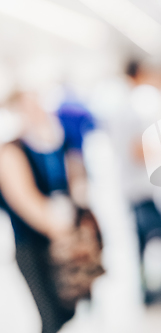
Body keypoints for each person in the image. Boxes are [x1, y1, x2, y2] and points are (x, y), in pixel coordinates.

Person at [0, 91, 94, 333]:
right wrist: (59, 230)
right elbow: (25, 201)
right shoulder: (11, 152)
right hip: (33, 245)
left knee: (69, 311)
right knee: (51, 317)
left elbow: (78, 183)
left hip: (64, 239)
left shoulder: (58, 144)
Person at [106, 58, 161, 305]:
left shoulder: (120, 108)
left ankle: (147, 289)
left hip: (130, 186)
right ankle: (154, 290)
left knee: (141, 243)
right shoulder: (135, 109)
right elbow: (138, 151)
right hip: (142, 189)